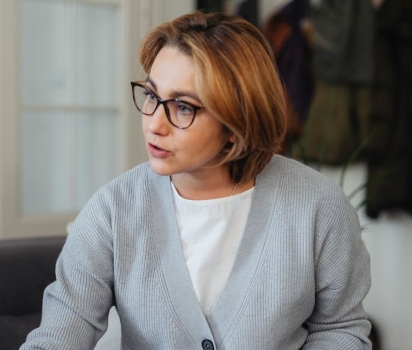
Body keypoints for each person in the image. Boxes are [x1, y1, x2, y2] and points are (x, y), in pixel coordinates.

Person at [22, 11, 371, 350]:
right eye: (151, 96)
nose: (154, 124)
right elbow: (63, 329)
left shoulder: (318, 206)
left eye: (183, 107)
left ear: (237, 125)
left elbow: (340, 329)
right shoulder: (113, 210)